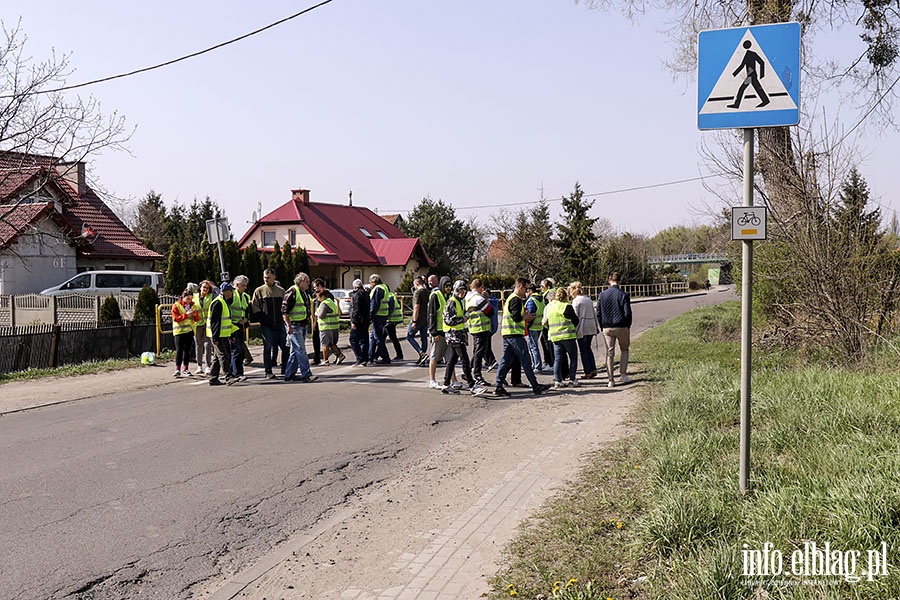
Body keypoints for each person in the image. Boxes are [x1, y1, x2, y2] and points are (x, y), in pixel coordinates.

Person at [493, 278, 551, 397]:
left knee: (506, 360)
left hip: (508, 333)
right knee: (525, 359)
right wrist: (526, 317)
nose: (527, 291)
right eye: (526, 288)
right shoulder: (516, 300)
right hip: (514, 334)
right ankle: (535, 386)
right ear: (520, 287)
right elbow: (515, 317)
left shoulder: (511, 298)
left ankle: (498, 385)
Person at [441, 280, 487, 396]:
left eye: (464, 290)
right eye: (460, 290)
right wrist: (464, 318)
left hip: (457, 335)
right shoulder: (452, 302)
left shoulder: (459, 301)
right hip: (454, 335)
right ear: (455, 290)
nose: (462, 293)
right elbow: (449, 320)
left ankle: (446, 385)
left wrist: (467, 313)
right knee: (465, 360)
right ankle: (472, 385)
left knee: (452, 360)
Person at [596, 271, 633, 388]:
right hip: (621, 325)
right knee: (624, 350)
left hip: (607, 327)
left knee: (609, 353)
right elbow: (627, 313)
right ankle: (623, 374)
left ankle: (611, 379)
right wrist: (628, 325)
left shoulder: (602, 295)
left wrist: (602, 325)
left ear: (609, 281)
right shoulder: (623, 295)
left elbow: (598, 313)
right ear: (620, 281)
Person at [251, 268, 286, 380]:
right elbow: (255, 306)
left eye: (268, 277)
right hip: (267, 324)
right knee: (268, 347)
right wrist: (262, 319)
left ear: (274, 277)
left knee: (285, 346)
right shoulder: (259, 291)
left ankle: (285, 369)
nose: (266, 279)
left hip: (280, 323)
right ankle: (268, 371)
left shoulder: (281, 291)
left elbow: (284, 306)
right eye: (265, 277)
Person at [282, 272, 317, 382]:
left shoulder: (303, 293)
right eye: (307, 282)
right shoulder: (292, 291)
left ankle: (289, 374)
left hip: (302, 325)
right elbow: (284, 310)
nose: (308, 284)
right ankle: (306, 374)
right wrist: (289, 326)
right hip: (294, 326)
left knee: (295, 351)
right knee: (301, 350)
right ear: (300, 281)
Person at [542, 287, 580, 388]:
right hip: (568, 336)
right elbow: (576, 320)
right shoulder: (567, 306)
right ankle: (572, 379)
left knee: (557, 359)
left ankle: (558, 380)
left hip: (555, 337)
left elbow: (545, 323)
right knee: (573, 358)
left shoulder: (551, 307)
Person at [427, 276, 459, 390]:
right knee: (435, 356)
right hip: (438, 332)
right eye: (446, 286)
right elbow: (431, 315)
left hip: (448, 332)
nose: (448, 288)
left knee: (450, 358)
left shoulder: (450, 296)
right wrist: (433, 332)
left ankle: (454, 380)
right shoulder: (436, 296)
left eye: (450, 286)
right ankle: (432, 380)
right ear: (442, 285)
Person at [207, 282, 237, 386]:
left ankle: (213, 378)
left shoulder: (224, 302)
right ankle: (228, 377)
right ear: (226, 292)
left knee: (217, 357)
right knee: (223, 355)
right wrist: (215, 337)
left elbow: (226, 321)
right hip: (217, 335)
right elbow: (215, 322)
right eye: (231, 291)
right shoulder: (218, 302)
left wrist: (231, 335)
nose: (232, 293)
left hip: (223, 334)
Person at [569, 281, 599, 379]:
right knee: (588, 347)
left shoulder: (576, 301)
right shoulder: (588, 299)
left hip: (582, 326)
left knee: (583, 349)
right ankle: (593, 368)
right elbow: (594, 314)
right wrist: (596, 326)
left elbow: (575, 316)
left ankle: (588, 371)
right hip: (591, 325)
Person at [466, 278, 493, 387]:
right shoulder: (479, 299)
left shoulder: (468, 298)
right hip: (482, 328)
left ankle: (467, 372)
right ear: (480, 287)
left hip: (473, 328)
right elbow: (490, 312)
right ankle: (477, 375)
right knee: (479, 353)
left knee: (476, 351)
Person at [171, 288, 200, 377]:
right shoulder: (176, 305)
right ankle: (177, 369)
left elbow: (197, 319)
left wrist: (195, 315)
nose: (189, 301)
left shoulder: (193, 306)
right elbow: (176, 318)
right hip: (179, 331)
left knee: (187, 350)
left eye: (191, 299)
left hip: (189, 330)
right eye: (188, 299)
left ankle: (186, 369)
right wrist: (186, 315)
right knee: (179, 350)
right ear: (183, 297)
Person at [315, 281, 346, 365]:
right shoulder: (331, 302)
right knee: (331, 344)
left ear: (323, 296)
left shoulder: (324, 304)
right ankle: (340, 355)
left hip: (326, 327)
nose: (317, 298)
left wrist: (316, 312)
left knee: (325, 344)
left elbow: (321, 315)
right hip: (333, 326)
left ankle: (325, 360)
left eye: (318, 297)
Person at [229, 275, 251, 382]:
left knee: (240, 350)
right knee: (236, 350)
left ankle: (235, 372)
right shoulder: (232, 295)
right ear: (236, 285)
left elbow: (247, 310)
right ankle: (236, 373)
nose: (245, 287)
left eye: (246, 285)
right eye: (243, 285)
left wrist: (246, 319)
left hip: (241, 326)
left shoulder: (245, 296)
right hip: (232, 325)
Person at [368, 274, 392, 364]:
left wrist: (371, 315)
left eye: (371, 283)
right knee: (374, 337)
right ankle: (370, 356)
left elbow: (375, 304)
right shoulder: (384, 287)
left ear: (374, 282)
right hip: (384, 315)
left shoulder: (377, 289)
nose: (370, 284)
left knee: (378, 338)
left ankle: (385, 357)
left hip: (378, 315)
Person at [193, 280, 216, 375]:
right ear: (200, 288)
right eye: (204, 287)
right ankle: (199, 366)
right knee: (198, 345)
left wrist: (212, 286)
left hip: (208, 324)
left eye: (207, 288)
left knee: (207, 345)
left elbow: (218, 293)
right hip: (197, 324)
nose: (205, 289)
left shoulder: (211, 296)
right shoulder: (194, 297)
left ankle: (208, 366)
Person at [524, 282, 548, 373]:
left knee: (533, 347)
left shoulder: (531, 300)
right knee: (534, 346)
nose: (526, 294)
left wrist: (527, 326)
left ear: (530, 291)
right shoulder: (541, 299)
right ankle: (536, 364)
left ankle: (537, 366)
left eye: (527, 291)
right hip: (539, 326)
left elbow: (530, 314)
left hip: (532, 327)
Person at [407, 276, 429, 364]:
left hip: (418, 318)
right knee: (424, 337)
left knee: (409, 336)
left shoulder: (417, 293)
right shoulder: (427, 292)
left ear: (416, 284)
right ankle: (422, 358)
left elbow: (416, 307)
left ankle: (421, 353)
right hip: (426, 318)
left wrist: (414, 321)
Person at [348, 278, 370, 366]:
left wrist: (353, 321)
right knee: (364, 339)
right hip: (366, 320)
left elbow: (356, 309)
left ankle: (360, 358)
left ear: (355, 287)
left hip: (359, 320)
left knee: (353, 339)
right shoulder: (366, 294)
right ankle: (365, 358)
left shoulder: (357, 295)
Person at [539, 278, 556, 370]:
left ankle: (550, 363)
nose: (541, 288)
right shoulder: (552, 292)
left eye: (542, 286)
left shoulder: (548, 294)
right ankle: (548, 361)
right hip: (550, 322)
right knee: (544, 341)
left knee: (547, 342)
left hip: (548, 323)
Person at [385, 287, 404, 361]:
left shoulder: (389, 296)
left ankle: (399, 355)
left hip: (391, 320)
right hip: (393, 319)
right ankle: (377, 354)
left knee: (392, 338)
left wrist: (386, 317)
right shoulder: (391, 295)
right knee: (389, 337)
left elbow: (391, 309)